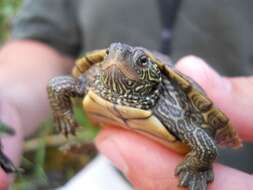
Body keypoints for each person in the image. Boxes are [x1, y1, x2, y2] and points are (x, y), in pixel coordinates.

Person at [0, 0, 253, 189]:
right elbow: (48, 57)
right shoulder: (96, 79)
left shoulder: (170, 97)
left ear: (152, 73)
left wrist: (198, 166)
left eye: (140, 61)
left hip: (226, 174)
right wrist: (7, 97)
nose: (118, 58)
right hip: (114, 166)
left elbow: (206, 145)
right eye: (111, 54)